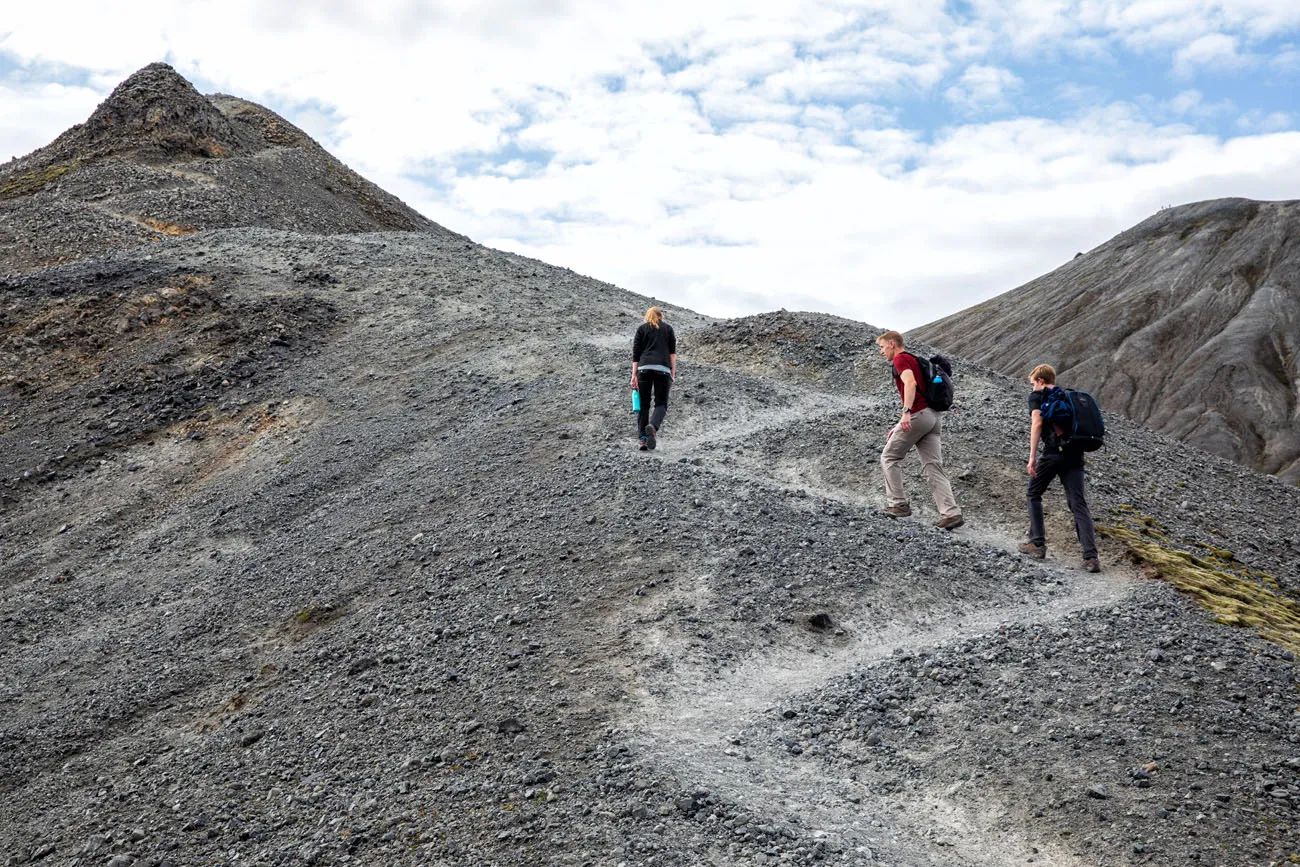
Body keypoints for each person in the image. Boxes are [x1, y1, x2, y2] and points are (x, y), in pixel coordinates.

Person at [875, 331, 963, 529]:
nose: (881, 352)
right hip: (933, 418)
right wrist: (900, 423)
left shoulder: (900, 359)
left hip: (918, 415)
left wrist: (906, 412)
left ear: (891, 344)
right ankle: (951, 513)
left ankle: (897, 504)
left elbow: (910, 383)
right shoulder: (914, 359)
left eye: (882, 347)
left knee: (889, 457)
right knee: (933, 466)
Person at [1020, 364, 1101, 572]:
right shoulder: (1068, 397)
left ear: (1039, 381)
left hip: (1054, 453)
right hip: (1076, 453)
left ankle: (1037, 543)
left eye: (1032, 384)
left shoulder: (1038, 396)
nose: (1032, 388)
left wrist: (1032, 457)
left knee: (1033, 493)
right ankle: (1091, 558)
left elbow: (1037, 424)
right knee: (1078, 504)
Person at [631, 306, 676, 451]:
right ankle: (653, 426)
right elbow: (672, 354)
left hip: (643, 369)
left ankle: (643, 440)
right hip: (662, 370)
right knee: (661, 404)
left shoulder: (641, 329)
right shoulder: (668, 329)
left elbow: (636, 354)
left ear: (647, 317)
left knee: (643, 405)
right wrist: (672, 373)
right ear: (661, 317)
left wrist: (634, 375)